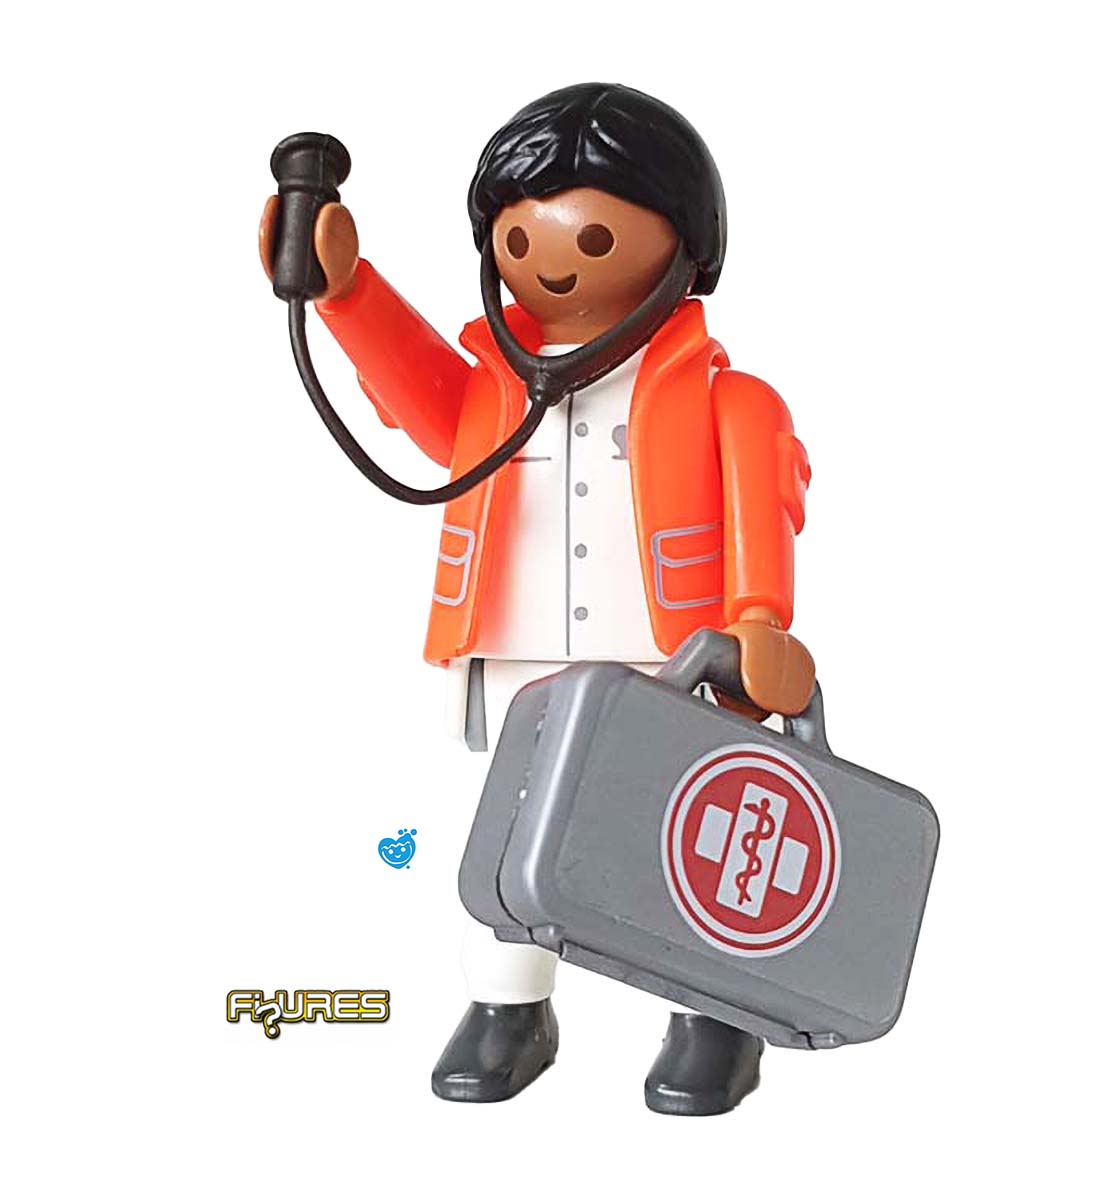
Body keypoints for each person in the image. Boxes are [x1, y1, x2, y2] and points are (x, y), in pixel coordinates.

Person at [260, 82, 816, 1115]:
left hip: (672, 663)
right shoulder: (493, 384)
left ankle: (710, 1015)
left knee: (682, 843)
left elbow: (761, 506)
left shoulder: (724, 399)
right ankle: (508, 1005)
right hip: (517, 653)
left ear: (684, 240)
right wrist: (345, 294)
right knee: (510, 835)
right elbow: (422, 404)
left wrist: (758, 621)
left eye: (595, 236)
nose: (553, 260)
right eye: (517, 238)